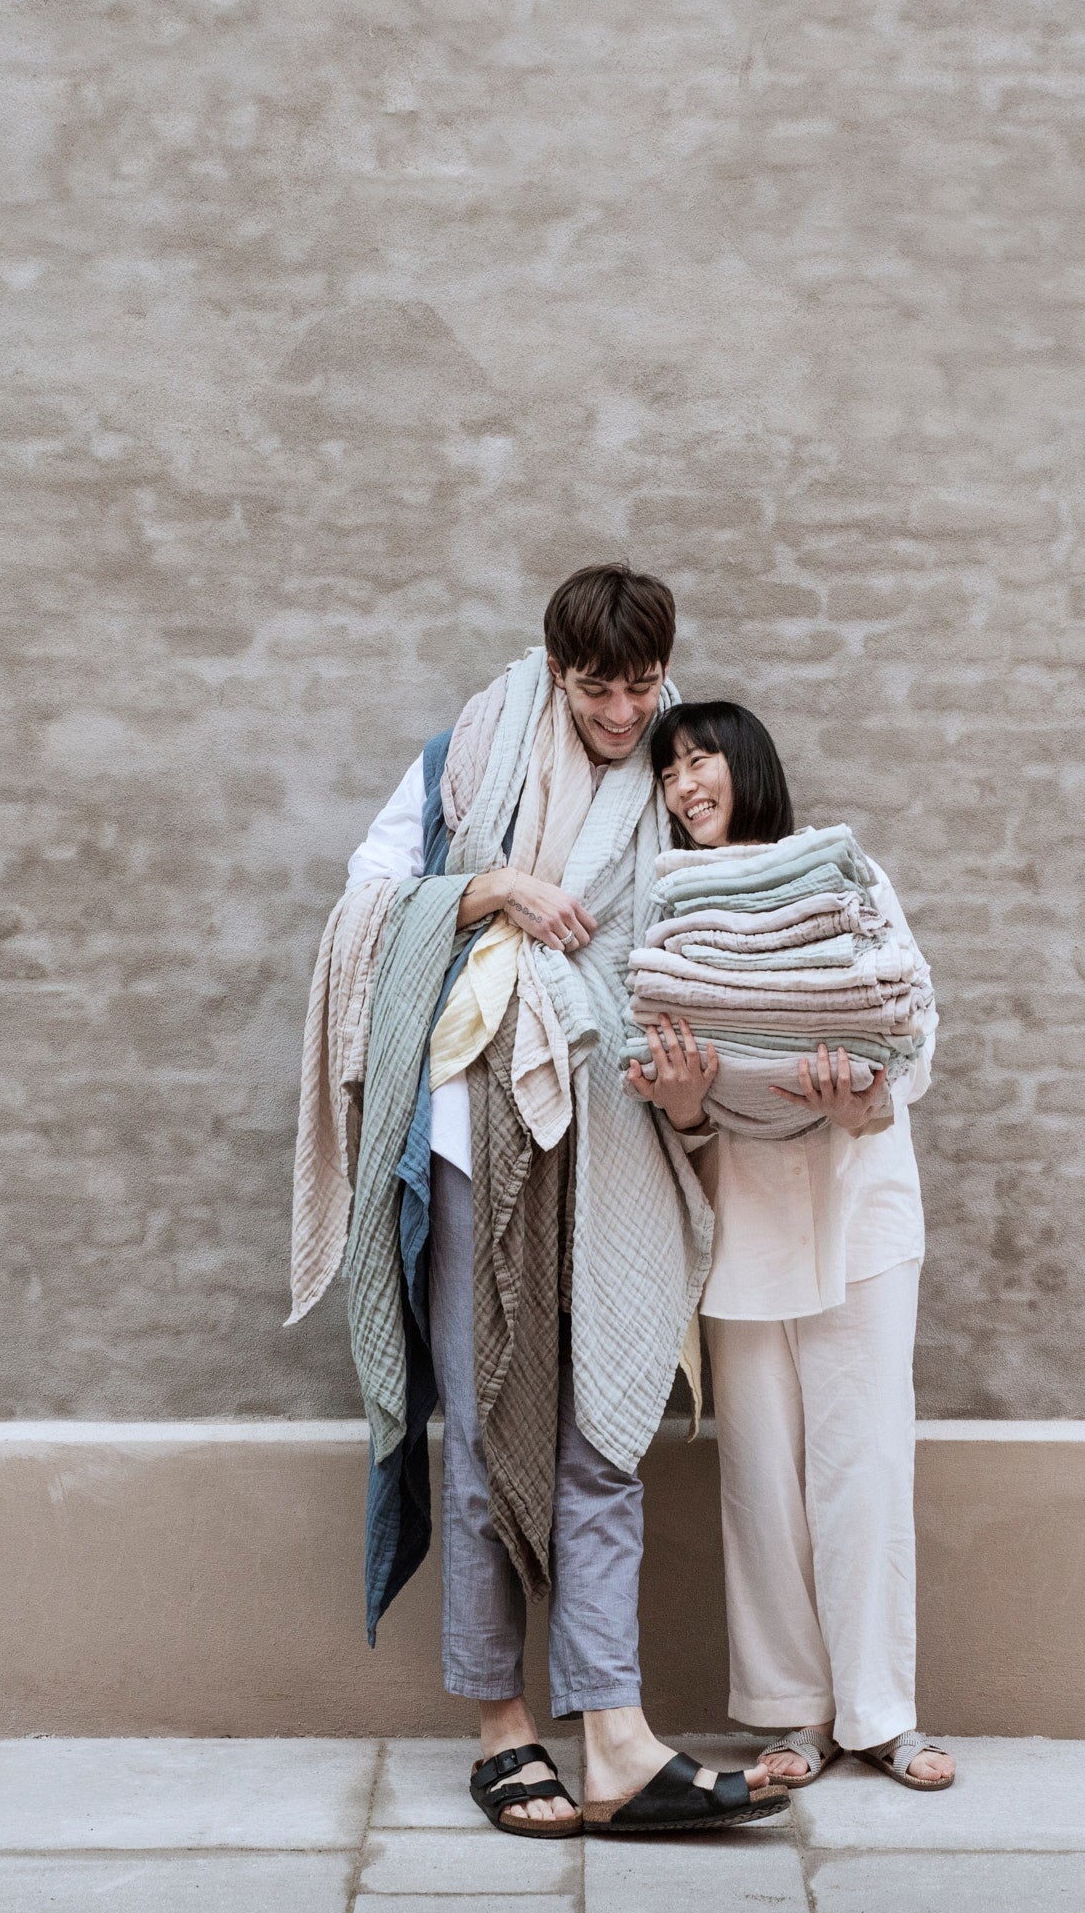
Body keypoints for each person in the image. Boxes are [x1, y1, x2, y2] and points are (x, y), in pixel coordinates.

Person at [296, 568, 783, 1838]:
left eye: (641, 684)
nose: (624, 713)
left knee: (601, 1428)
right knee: (484, 1406)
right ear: (554, 669)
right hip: (472, 1121)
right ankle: (502, 1724)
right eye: (597, 688)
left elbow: (730, 933)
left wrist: (690, 1099)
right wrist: (497, 889)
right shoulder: (472, 749)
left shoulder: (689, 763)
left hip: (619, 1127)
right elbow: (364, 903)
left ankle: (612, 1732)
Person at [626, 700, 955, 1793]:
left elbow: (908, 1024)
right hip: (743, 1216)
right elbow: (669, 1064)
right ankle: (791, 1712)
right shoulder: (671, 906)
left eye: (698, 758)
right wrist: (680, 1105)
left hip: (858, 1202)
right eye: (667, 771)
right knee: (760, 1471)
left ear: (748, 764)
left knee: (864, 1457)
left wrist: (861, 1102)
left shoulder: (839, 877)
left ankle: (882, 1711)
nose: (682, 784)